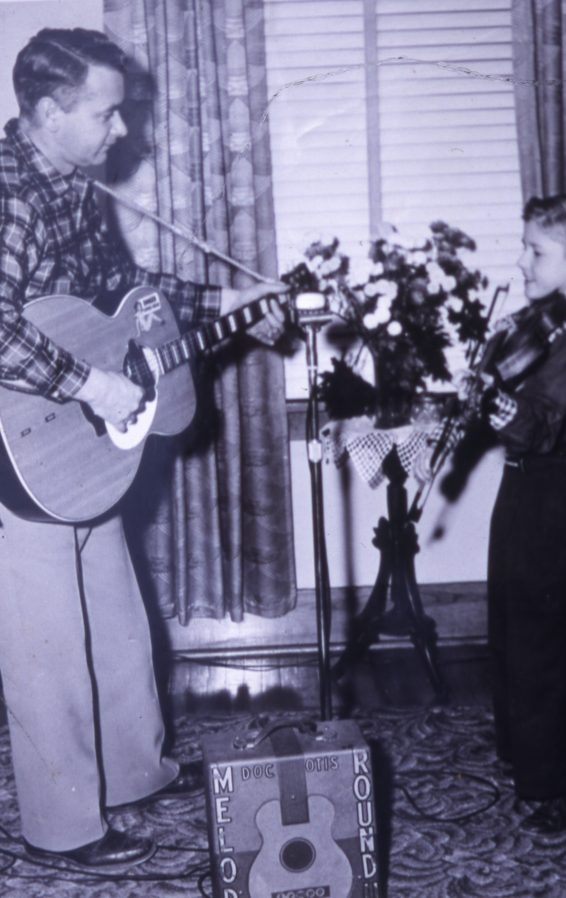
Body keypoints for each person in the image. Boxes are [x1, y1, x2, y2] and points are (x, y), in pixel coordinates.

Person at [0, 27, 287, 868]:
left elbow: (123, 302)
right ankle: (62, 829)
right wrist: (90, 386)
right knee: (46, 651)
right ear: (50, 113)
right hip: (20, 450)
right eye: (107, 113)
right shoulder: (8, 190)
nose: (122, 130)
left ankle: (134, 774)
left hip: (73, 452)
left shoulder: (70, 181)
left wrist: (236, 299)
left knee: (119, 621)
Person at [452, 191, 566, 834]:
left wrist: (490, 399)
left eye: (536, 250)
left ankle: (561, 785)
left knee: (552, 643)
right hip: (529, 492)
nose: (521, 260)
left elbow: (537, 426)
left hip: (562, 495)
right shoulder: (555, 318)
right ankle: (531, 755)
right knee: (519, 628)